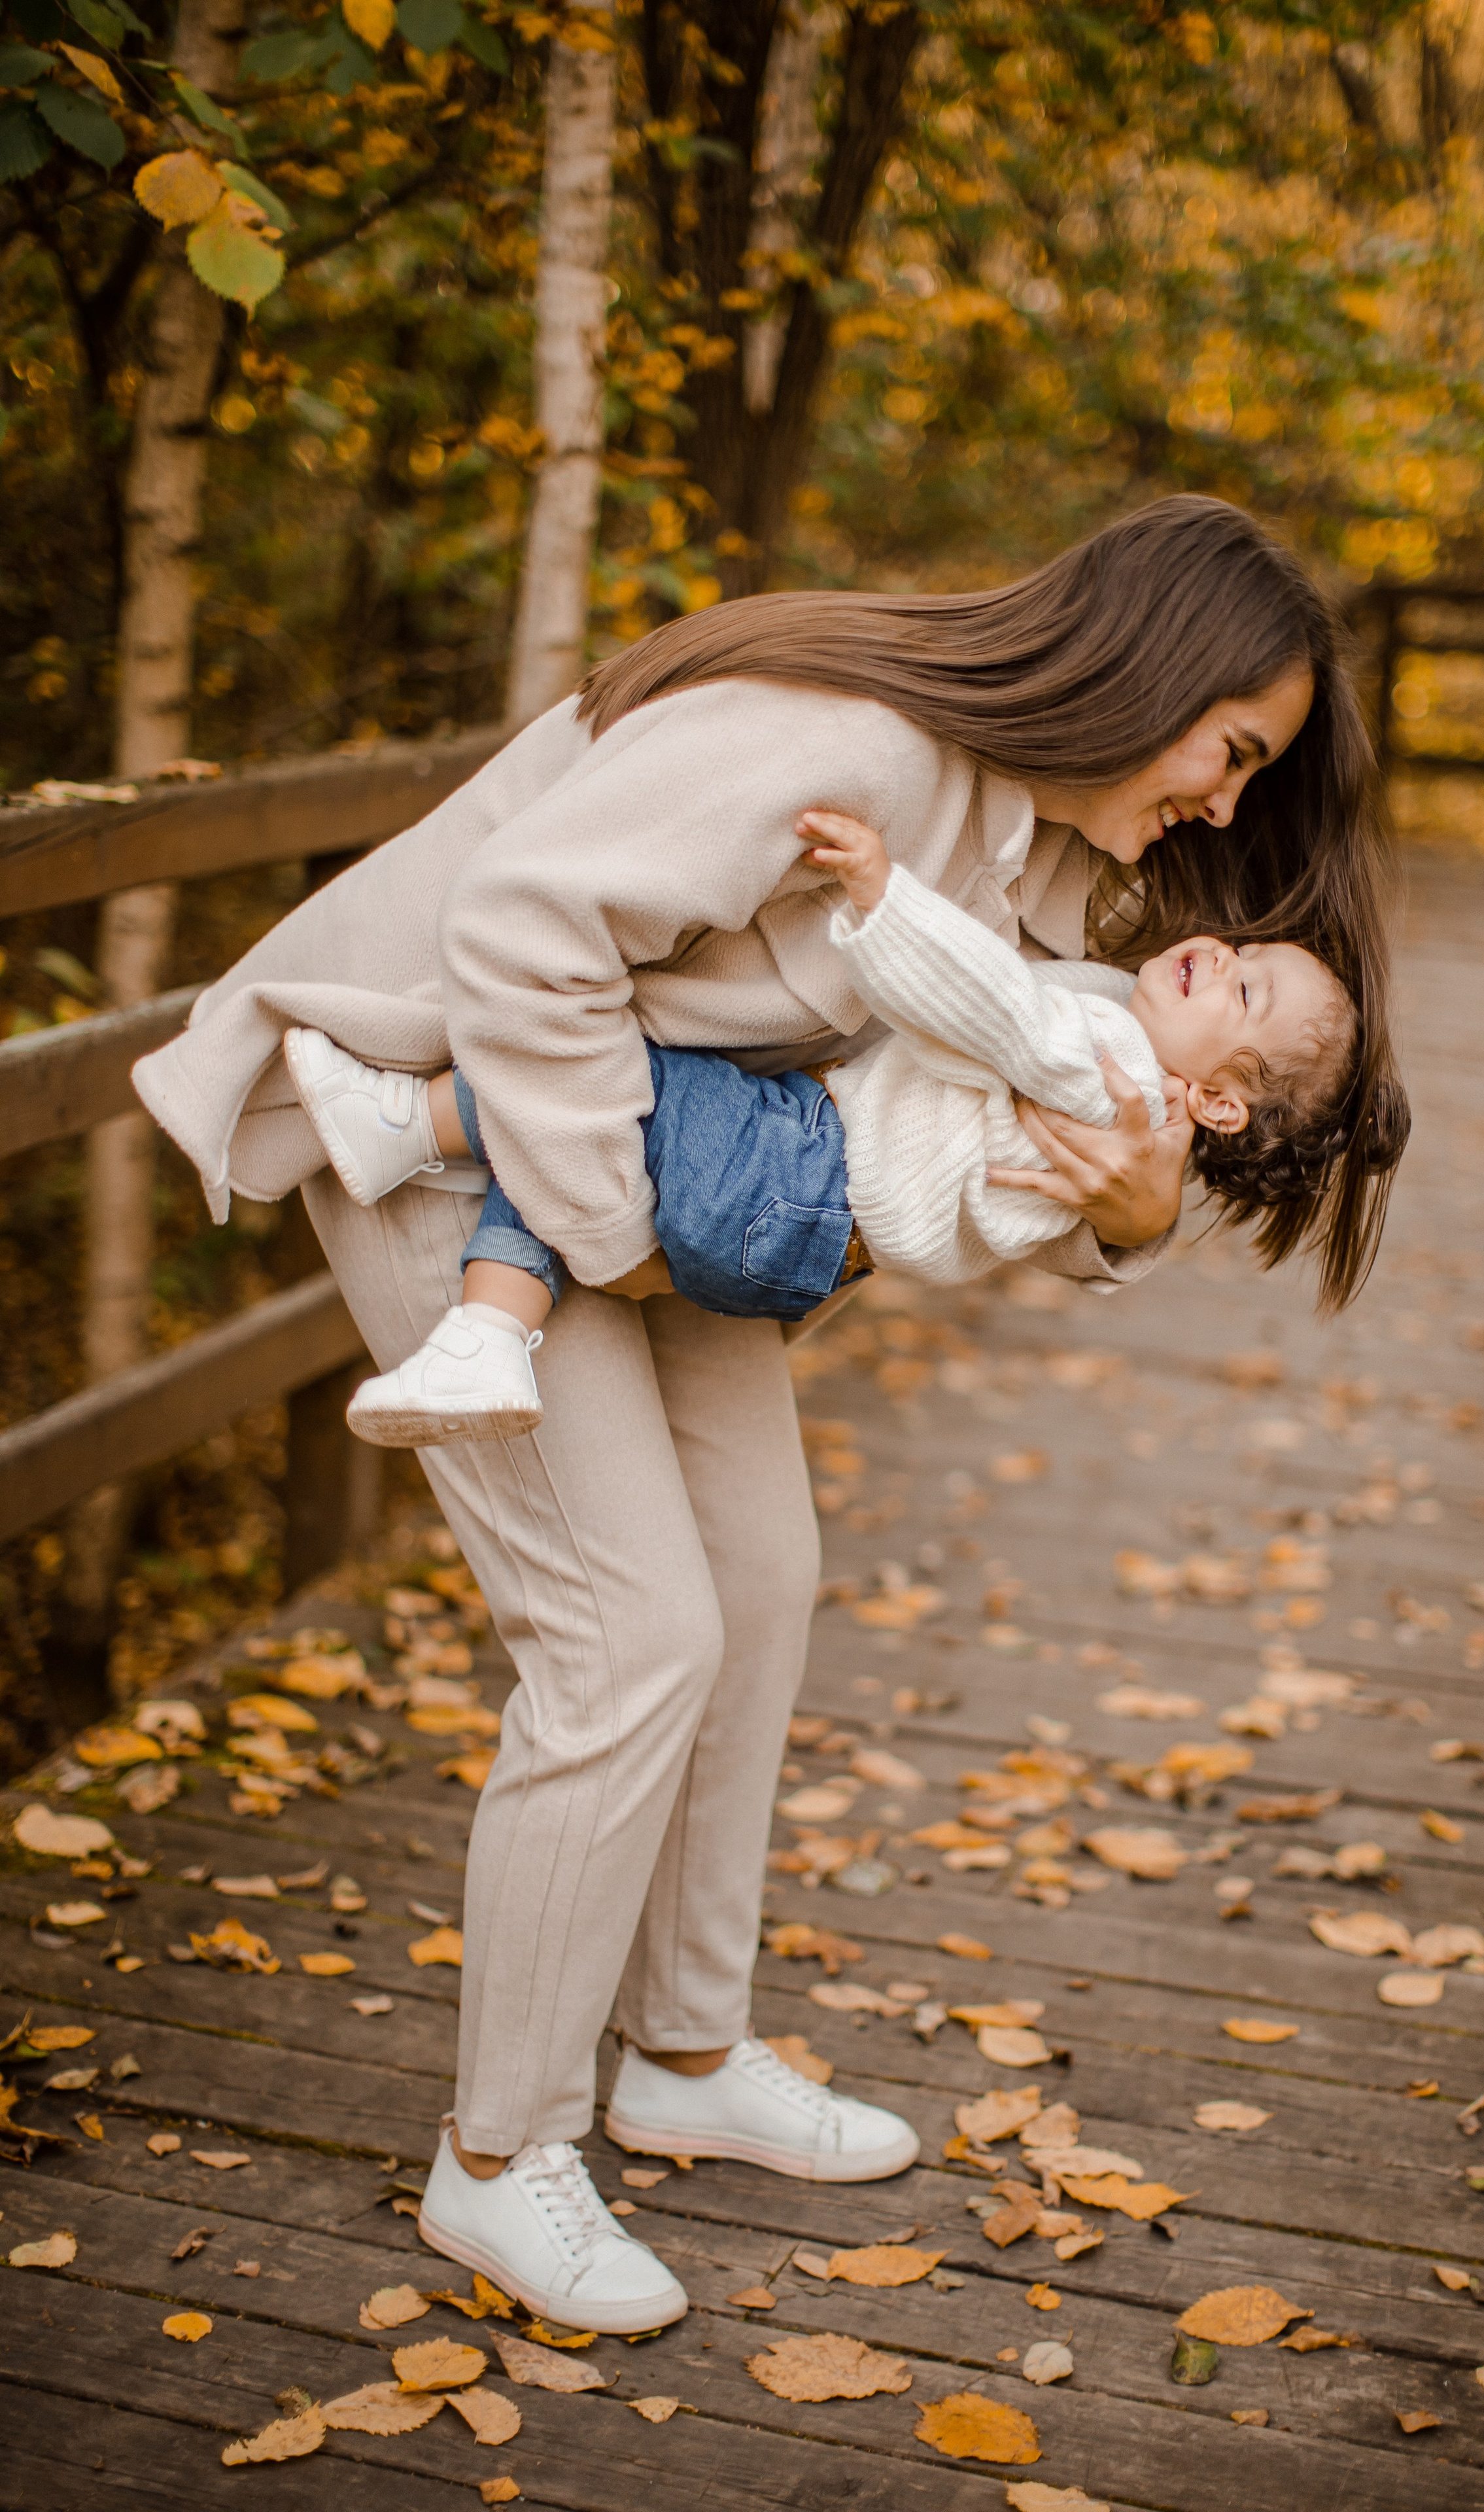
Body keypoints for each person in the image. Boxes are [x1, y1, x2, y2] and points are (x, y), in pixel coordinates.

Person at [133, 495, 1403, 2338]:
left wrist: (1132, 1223)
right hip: (447, 1129)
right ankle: (500, 2154)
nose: (1223, 807)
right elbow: (523, 926)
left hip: (633, 1175)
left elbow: (999, 1114)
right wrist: (619, 1236)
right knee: (629, 1636)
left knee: (758, 1577)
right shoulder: (850, 741)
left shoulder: (1021, 836)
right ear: (1151, 675)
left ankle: (683, 2052)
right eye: (1231, 751)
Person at [283, 803, 1390, 1447]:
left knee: (594, 1076)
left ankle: (410, 1127)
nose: (1222, 958)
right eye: (1245, 952)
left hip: (801, 1171)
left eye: (1245, 992)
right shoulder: (1132, 1080)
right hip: (805, 1240)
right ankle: (487, 1334)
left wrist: (881, 896)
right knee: (593, 1128)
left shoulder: (1111, 1069)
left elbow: (992, 1006)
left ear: (1219, 1103)